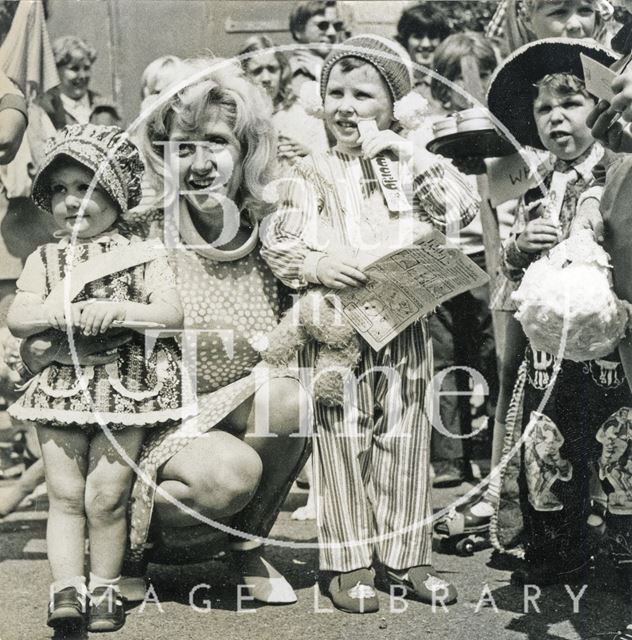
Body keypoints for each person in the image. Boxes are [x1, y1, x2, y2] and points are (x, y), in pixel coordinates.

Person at [12, 57, 308, 605]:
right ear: (161, 156)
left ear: (245, 151)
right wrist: (48, 344)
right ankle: (125, 546)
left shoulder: (275, 235)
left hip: (227, 406)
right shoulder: (133, 232)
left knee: (293, 399)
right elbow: (37, 335)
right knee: (227, 475)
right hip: (142, 424)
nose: (200, 162)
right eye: (183, 146)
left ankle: (247, 549)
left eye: (216, 142)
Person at [261, 34, 479, 613]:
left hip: (404, 317)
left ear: (394, 106)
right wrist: (315, 262)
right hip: (335, 326)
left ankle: (407, 556)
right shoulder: (309, 171)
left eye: (364, 93)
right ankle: (349, 560)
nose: (347, 105)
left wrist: (407, 153)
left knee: (406, 432)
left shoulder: (412, 161)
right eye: (336, 92)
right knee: (340, 437)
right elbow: (279, 239)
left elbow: (460, 212)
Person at [6, 124, 186, 632]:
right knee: (64, 495)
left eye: (85, 187)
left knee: (106, 496)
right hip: (61, 387)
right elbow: (20, 317)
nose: (70, 201)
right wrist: (56, 311)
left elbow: (171, 315)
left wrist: (120, 309)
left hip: (127, 389)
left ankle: (105, 585)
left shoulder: (146, 254)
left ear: (117, 193)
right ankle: (66, 587)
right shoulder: (44, 259)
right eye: (59, 189)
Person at [486, 38, 632, 587]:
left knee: (619, 443)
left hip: (615, 341)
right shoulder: (533, 181)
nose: (555, 119)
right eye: (543, 110)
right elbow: (511, 270)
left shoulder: (622, 168)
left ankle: (623, 551)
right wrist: (521, 247)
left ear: (602, 105)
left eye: (570, 103)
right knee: (548, 443)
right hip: (550, 349)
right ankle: (556, 546)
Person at [238, 35, 329, 167]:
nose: (266, 78)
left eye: (272, 69)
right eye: (257, 71)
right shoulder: (239, 115)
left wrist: (309, 155)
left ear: (282, 71)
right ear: (245, 75)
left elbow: (328, 170)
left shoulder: (305, 114)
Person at [35, 36, 120, 130]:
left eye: (86, 68)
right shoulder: (45, 110)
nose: (82, 76)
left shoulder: (104, 109)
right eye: (74, 68)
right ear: (56, 70)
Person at [288, 0, 347, 95]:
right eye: (323, 25)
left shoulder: (339, 67)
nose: (332, 32)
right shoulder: (290, 74)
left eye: (337, 26)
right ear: (299, 31)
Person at [395, 2, 451, 101]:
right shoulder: (396, 82)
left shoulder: (449, 84)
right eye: (418, 36)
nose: (426, 44)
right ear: (405, 40)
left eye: (432, 36)